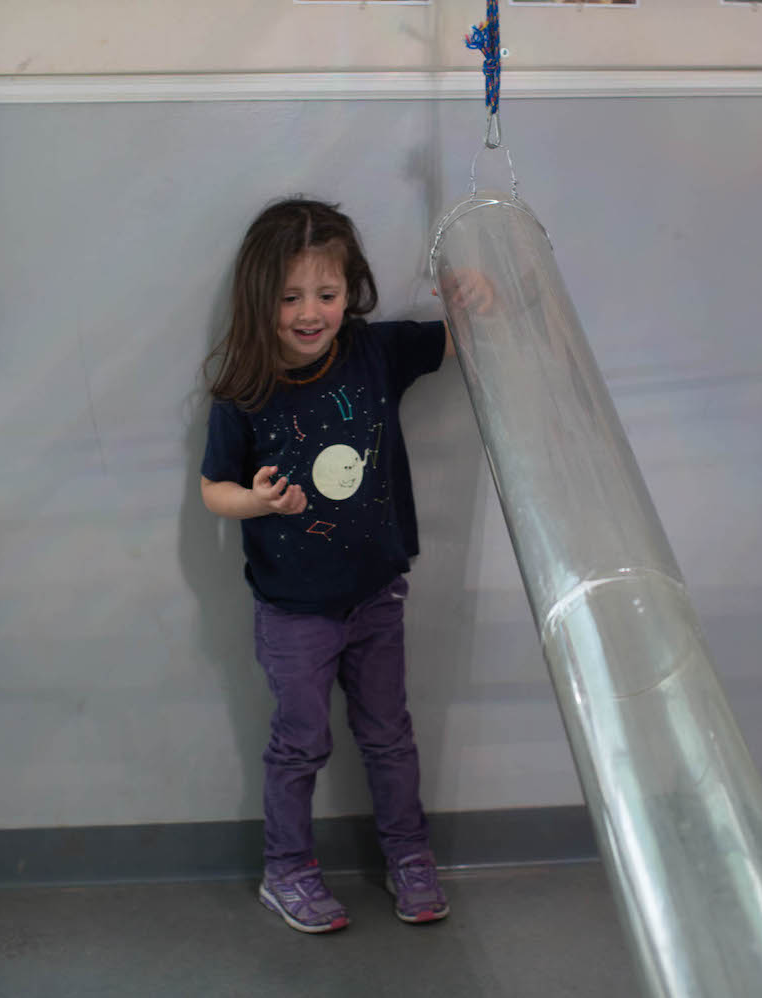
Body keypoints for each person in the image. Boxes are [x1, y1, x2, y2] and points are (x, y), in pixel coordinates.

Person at [199, 197, 488, 934]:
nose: (309, 313)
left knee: (389, 733)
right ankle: (286, 870)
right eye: (290, 297)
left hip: (376, 597)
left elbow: (460, 339)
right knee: (300, 743)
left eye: (325, 294)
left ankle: (409, 856)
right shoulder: (244, 386)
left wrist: (477, 297)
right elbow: (213, 490)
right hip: (293, 609)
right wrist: (256, 501)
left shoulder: (373, 352)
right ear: (260, 299)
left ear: (349, 290)